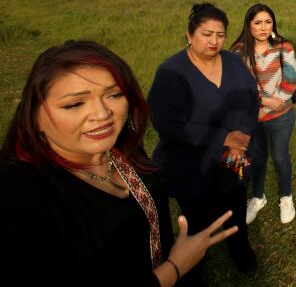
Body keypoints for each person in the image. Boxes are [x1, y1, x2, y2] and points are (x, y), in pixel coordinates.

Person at [0, 40, 238, 287]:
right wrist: (174, 269)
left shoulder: (124, 149)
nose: (102, 114)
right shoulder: (17, 196)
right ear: (34, 115)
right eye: (74, 104)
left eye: (114, 95)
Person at [148, 3, 261, 282]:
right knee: (197, 220)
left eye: (220, 35)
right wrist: (223, 137)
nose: (214, 41)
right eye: (206, 34)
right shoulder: (172, 72)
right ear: (189, 35)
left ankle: (241, 252)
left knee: (235, 206)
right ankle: (190, 268)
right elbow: (168, 124)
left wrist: (241, 137)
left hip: (233, 157)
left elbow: (251, 100)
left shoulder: (233, 62)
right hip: (191, 165)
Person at [231, 3, 296, 225]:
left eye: (267, 22)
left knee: (280, 156)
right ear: (248, 24)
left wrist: (270, 105)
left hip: (282, 115)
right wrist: (261, 105)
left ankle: (286, 196)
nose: (262, 27)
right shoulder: (238, 51)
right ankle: (258, 197)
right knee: (257, 157)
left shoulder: (284, 47)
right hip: (254, 117)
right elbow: (239, 86)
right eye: (257, 22)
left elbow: (291, 81)